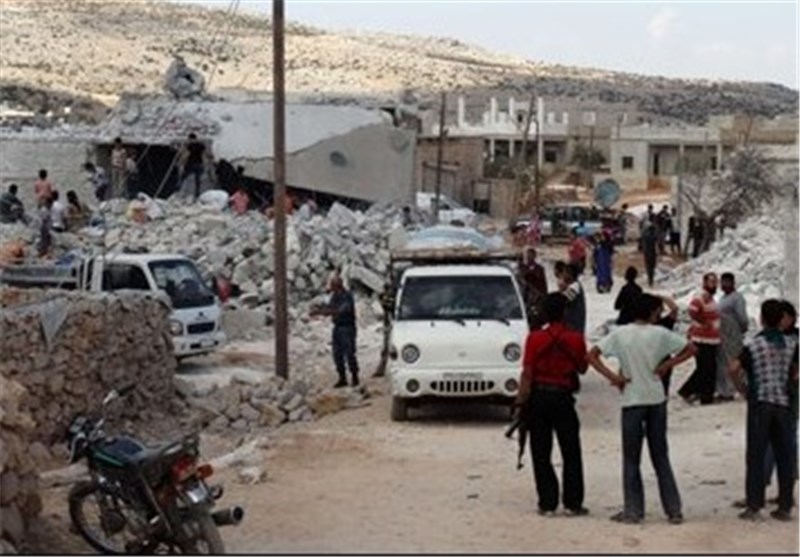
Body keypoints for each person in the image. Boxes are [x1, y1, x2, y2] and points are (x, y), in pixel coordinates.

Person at [587, 294, 697, 525]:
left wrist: (614, 377)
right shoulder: (660, 334)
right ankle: (673, 510)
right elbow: (691, 349)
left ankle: (633, 510)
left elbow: (592, 355)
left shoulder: (620, 334)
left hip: (632, 399)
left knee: (631, 459)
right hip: (656, 398)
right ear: (652, 312)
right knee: (661, 456)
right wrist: (667, 364)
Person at [514, 293, 589, 517]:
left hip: (539, 397)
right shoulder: (575, 338)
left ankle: (547, 503)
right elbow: (583, 368)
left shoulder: (534, 338)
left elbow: (527, 373)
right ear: (565, 312)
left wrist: (520, 401)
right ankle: (573, 503)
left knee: (540, 451)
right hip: (563, 397)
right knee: (571, 451)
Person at [728, 299, 799, 522]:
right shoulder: (791, 343)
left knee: (756, 455)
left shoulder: (754, 344)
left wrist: (742, 389)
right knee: (784, 455)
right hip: (783, 403)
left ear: (762, 319)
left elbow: (734, 367)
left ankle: (754, 505)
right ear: (782, 319)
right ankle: (785, 506)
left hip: (760, 402)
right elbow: (796, 371)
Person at [678, 273, 721, 405]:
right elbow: (692, 311)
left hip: (711, 338)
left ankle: (698, 393)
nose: (714, 285)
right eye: (711, 282)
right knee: (706, 369)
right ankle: (701, 396)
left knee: (706, 368)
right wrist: (704, 322)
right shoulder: (701, 297)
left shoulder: (711, 298)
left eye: (715, 282)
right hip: (702, 339)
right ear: (705, 283)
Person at [310, 276, 360, 388]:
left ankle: (355, 377)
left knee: (349, 353)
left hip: (347, 327)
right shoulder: (335, 296)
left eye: (332, 285)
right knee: (337, 354)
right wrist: (320, 309)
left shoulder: (347, 296)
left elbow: (340, 310)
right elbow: (330, 307)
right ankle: (342, 377)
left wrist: (321, 312)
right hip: (338, 327)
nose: (331, 288)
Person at [716, 273, 748, 402]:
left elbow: (742, 318)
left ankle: (735, 389)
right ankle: (724, 391)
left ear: (732, 283)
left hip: (733, 334)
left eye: (726, 282)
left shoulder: (737, 298)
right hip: (723, 335)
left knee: (733, 361)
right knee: (723, 363)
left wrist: (740, 330)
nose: (723, 285)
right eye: (722, 282)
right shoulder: (722, 298)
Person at [520, 247, 548, 329]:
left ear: (534, 256)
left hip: (536, 299)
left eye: (531, 255)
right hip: (525, 298)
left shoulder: (539, 269)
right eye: (527, 255)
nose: (529, 257)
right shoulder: (522, 268)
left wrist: (544, 298)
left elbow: (543, 285)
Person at [558, 263, 586, 335]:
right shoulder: (571, 286)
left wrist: (561, 289)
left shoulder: (575, 286)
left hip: (573, 325)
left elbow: (562, 301)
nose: (563, 275)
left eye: (565, 272)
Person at [180, 133, 207, 200]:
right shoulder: (201, 145)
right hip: (199, 163)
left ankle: (179, 190)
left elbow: (186, 154)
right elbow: (204, 154)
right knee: (198, 180)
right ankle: (197, 193)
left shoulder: (189, 145)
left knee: (183, 177)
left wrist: (181, 161)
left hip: (191, 163)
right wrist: (204, 163)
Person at [641, 216, 659, 287]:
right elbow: (656, 244)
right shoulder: (654, 237)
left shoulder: (646, 236)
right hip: (652, 253)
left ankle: (650, 279)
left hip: (647, 252)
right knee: (652, 266)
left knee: (648, 266)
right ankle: (651, 279)